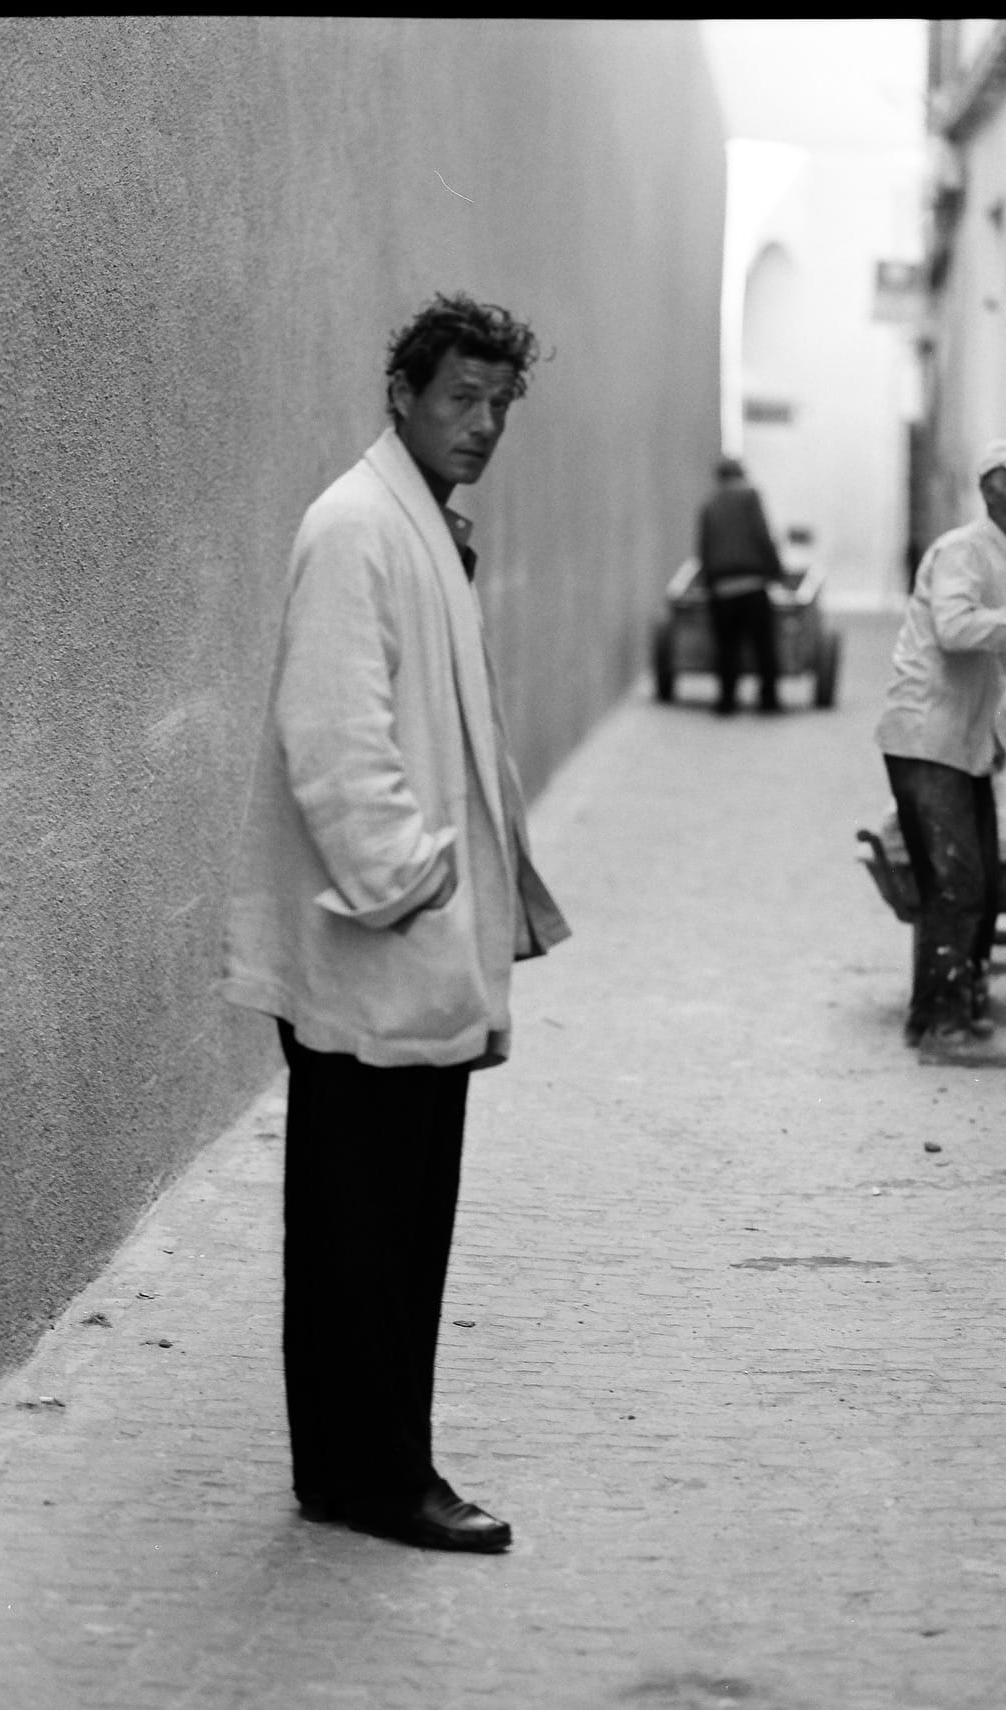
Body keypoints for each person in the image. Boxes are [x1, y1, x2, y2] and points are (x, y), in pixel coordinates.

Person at [222, 293, 570, 1551]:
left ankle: (346, 1471)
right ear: (404, 397)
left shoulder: (415, 523)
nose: (482, 425)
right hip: (381, 934)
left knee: (370, 1221)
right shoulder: (357, 527)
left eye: (500, 404)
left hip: (404, 937)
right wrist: (410, 884)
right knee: (370, 1227)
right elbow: (331, 732)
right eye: (460, 398)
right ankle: (380, 1479)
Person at [875, 436, 1006, 1068]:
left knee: (977, 884)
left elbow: (999, 659)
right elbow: (955, 628)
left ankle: (934, 1016)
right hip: (926, 736)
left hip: (963, 743)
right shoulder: (962, 551)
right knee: (958, 885)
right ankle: (944, 1029)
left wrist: (1001, 733)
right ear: (989, 491)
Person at [697, 455, 786, 716]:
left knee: (727, 647)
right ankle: (768, 700)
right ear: (741, 474)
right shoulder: (750, 497)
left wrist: (708, 581)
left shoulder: (709, 503)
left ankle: (727, 700)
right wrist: (776, 570)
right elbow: (762, 534)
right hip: (752, 585)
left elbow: (704, 546)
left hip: (722, 589)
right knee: (763, 645)